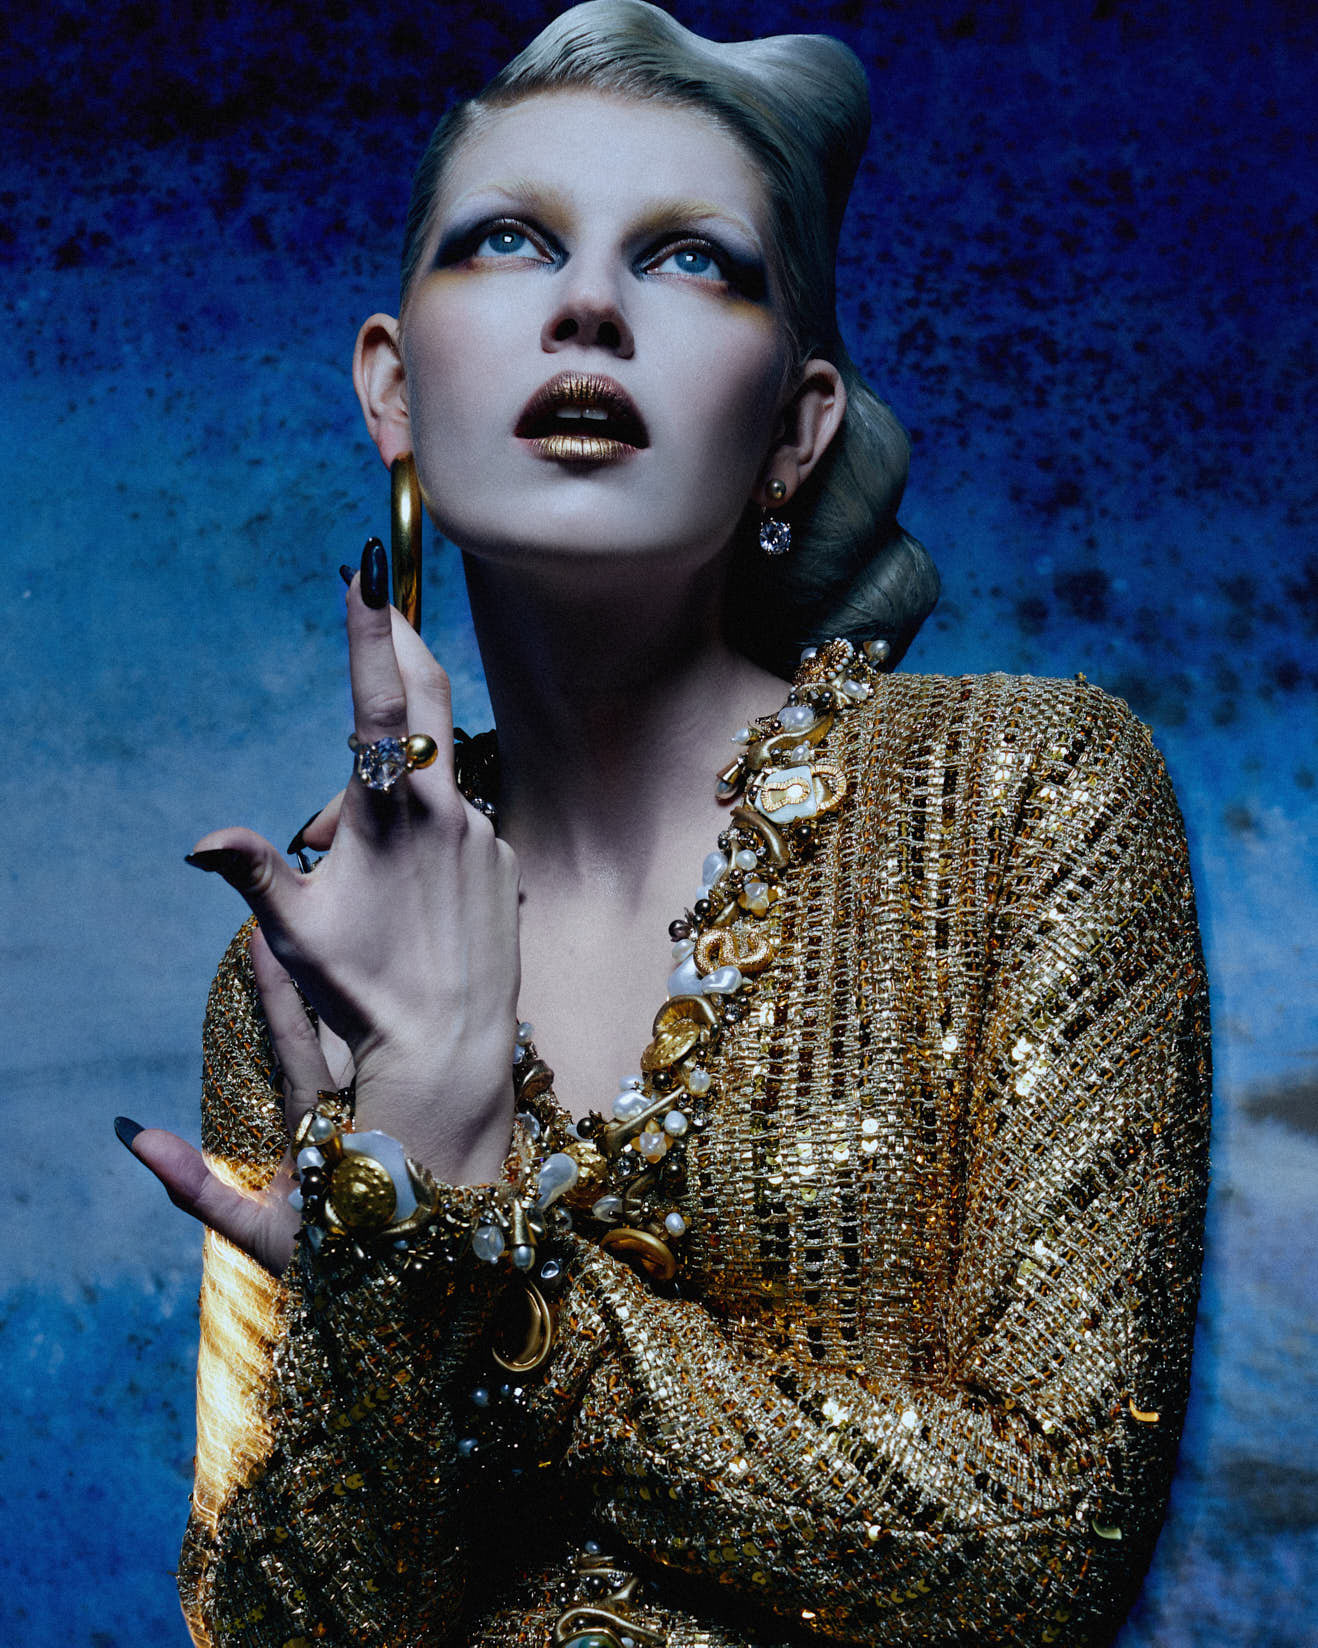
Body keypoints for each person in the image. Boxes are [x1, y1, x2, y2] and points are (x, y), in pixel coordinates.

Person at [119, 5, 1211, 1645]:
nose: (587, 305)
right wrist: (403, 1137)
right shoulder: (304, 955)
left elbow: (1044, 1547)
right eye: (510, 239)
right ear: (394, 391)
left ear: (794, 430)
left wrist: (472, 1268)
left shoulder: (1026, 797)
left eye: (688, 258)